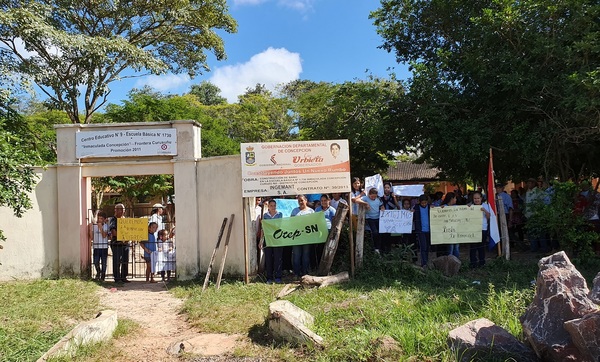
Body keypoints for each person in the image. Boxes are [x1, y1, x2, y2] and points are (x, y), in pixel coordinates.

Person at [355, 188, 385, 254]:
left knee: (380, 233)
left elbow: (381, 205)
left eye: (375, 196)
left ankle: (378, 248)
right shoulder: (366, 198)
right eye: (372, 196)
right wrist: (365, 203)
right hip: (370, 218)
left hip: (378, 218)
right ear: (369, 194)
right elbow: (356, 200)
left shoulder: (378, 199)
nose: (373, 198)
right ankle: (374, 247)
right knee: (375, 232)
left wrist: (382, 208)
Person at [291, 195, 314, 278]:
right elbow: (291, 222)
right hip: (296, 237)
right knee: (296, 255)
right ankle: (296, 273)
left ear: (306, 200)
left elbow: (313, 223)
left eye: (301, 200)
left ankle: (305, 273)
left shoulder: (311, 211)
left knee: (306, 255)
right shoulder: (294, 211)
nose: (300, 202)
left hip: (307, 237)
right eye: (299, 201)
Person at [261, 199, 283, 284]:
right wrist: (261, 241)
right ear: (268, 206)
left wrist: (271, 226)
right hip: (268, 239)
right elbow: (263, 228)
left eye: (274, 205)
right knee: (268, 258)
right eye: (271, 206)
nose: (273, 207)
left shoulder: (279, 214)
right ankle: (269, 277)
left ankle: (278, 277)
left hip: (277, 239)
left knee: (278, 258)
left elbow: (279, 226)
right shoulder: (265, 215)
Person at [108, 203, 130, 283]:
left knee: (125, 260)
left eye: (123, 210)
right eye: (120, 209)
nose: (122, 211)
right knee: (117, 261)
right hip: (116, 243)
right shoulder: (113, 220)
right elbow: (113, 232)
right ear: (116, 210)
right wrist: (123, 237)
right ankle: (117, 278)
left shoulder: (125, 219)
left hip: (125, 243)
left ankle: (124, 276)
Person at [469, 192, 490, 268]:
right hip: (473, 229)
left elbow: (488, 217)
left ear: (481, 198)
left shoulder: (485, 205)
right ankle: (473, 263)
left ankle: (482, 263)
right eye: (475, 198)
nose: (476, 200)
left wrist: (484, 210)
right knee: (473, 247)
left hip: (482, 229)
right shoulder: (470, 206)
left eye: (478, 198)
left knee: (481, 247)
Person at [315, 194, 336, 264]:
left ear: (329, 200)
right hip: (320, 232)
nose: (323, 202)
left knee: (328, 249)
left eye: (325, 200)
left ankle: (328, 265)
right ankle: (319, 265)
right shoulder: (317, 209)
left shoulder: (332, 210)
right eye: (322, 201)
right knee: (319, 249)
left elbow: (334, 222)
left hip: (328, 231)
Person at [88, 211, 109, 281]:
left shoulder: (106, 226)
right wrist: (90, 228)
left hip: (104, 247)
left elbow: (104, 235)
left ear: (104, 219)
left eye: (101, 218)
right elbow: (91, 237)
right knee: (95, 261)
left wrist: (100, 228)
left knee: (104, 262)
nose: (100, 220)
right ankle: (98, 272)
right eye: (99, 218)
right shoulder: (94, 226)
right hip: (96, 247)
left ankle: (103, 275)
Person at [380, 182, 399, 253]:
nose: (386, 189)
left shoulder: (392, 196)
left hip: (390, 218)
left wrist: (394, 198)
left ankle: (388, 251)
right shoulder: (380, 196)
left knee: (389, 235)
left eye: (388, 188)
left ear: (390, 188)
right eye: (385, 188)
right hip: (382, 219)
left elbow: (396, 206)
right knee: (382, 235)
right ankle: (382, 251)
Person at [413, 194, 431, 268]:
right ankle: (424, 263)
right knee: (423, 247)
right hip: (421, 230)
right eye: (422, 203)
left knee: (427, 247)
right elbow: (413, 218)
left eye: (425, 203)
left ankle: (426, 261)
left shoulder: (430, 207)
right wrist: (412, 212)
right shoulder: (416, 208)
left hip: (429, 230)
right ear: (419, 202)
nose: (424, 204)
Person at [441, 192, 459, 258]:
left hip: (456, 230)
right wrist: (440, 209)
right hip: (448, 230)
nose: (456, 199)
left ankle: (457, 262)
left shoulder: (456, 207)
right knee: (450, 247)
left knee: (456, 247)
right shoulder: (444, 207)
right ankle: (450, 262)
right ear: (451, 199)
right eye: (455, 198)